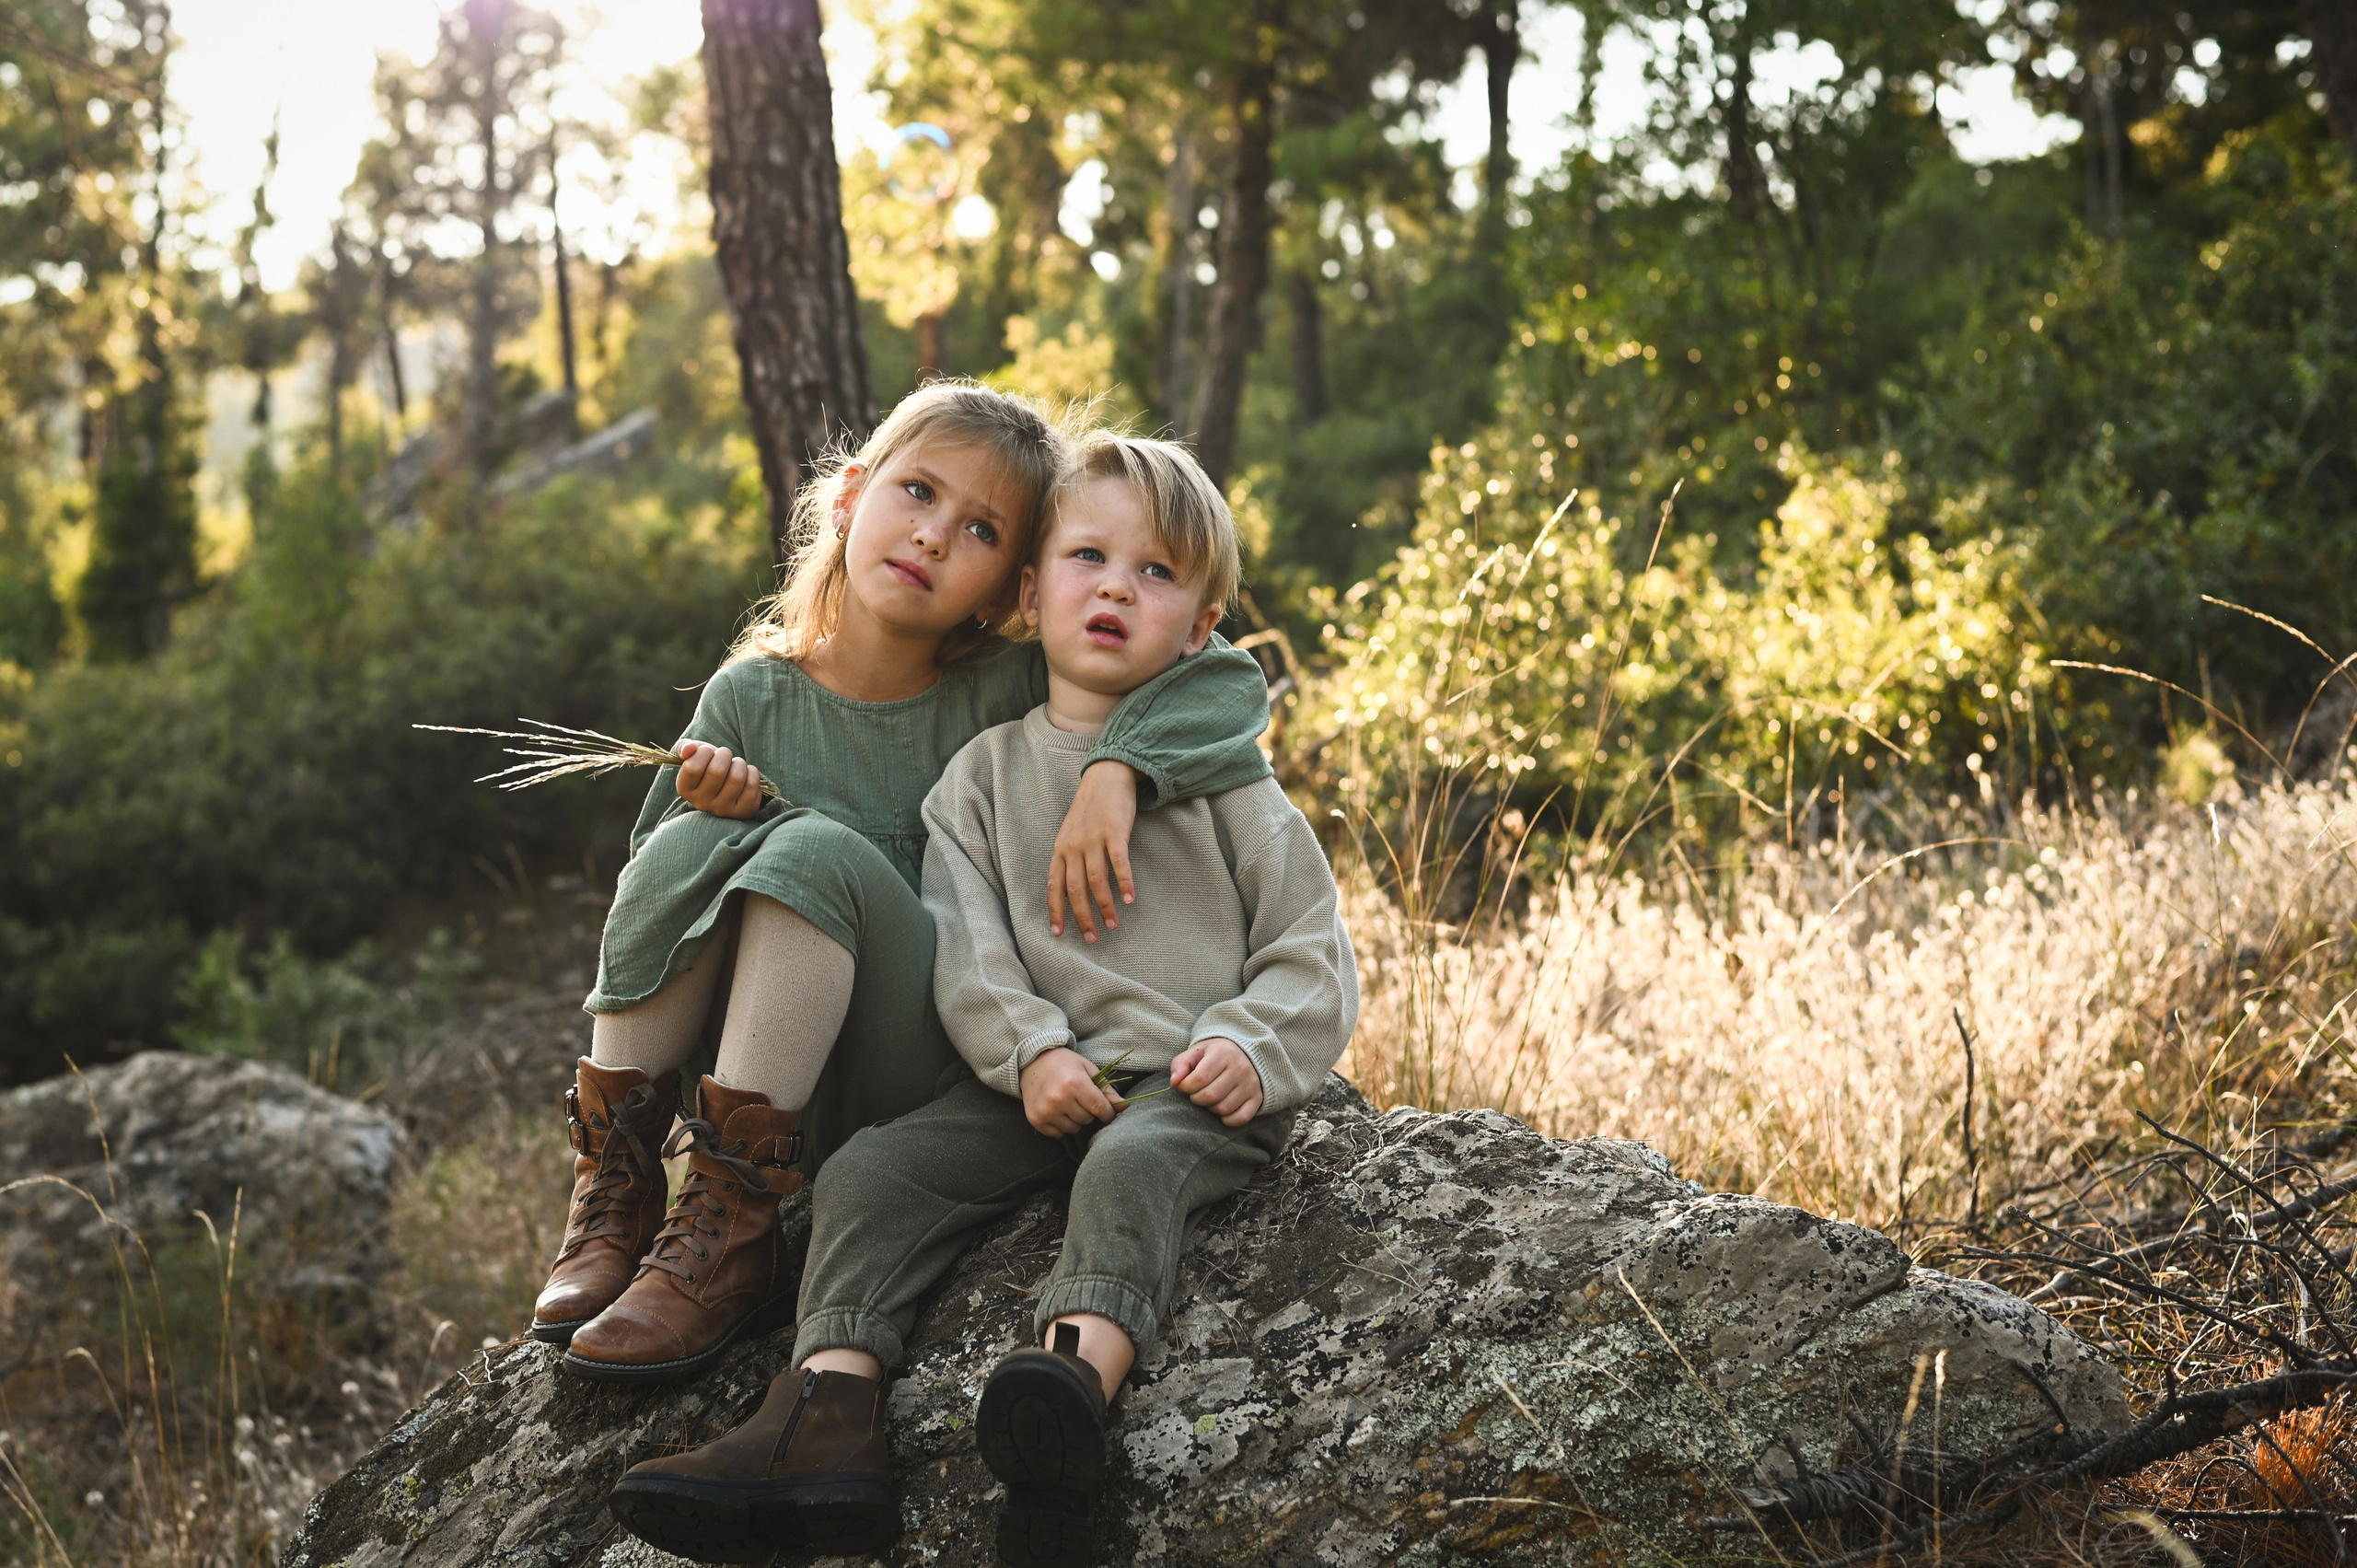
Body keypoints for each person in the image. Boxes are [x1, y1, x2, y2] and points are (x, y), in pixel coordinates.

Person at [607, 431, 1358, 1568]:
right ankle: (826, 1407)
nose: (1115, 585)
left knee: (1132, 1165)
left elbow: (1311, 948)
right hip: (1032, 1080)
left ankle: (1068, 1387)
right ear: (1030, 590)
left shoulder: (1223, 780)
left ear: (1198, 623)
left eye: (1156, 573)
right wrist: (1032, 1055)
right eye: (1088, 557)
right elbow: (967, 948)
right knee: (871, 1172)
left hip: (1189, 1080)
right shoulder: (980, 773)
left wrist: (1251, 1042)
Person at [534, 385, 1276, 1388]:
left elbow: (1224, 679)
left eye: (977, 529)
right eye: (917, 492)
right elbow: (655, 909)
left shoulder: (1005, 686)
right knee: (682, 840)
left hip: (938, 1064)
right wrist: (703, 814)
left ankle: (737, 1237)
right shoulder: (750, 695)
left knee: (814, 854)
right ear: (850, 496)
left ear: (1008, 584)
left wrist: (1119, 766)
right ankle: (620, 1190)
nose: (931, 535)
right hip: (765, 1073)